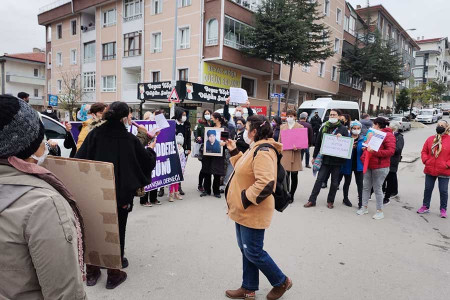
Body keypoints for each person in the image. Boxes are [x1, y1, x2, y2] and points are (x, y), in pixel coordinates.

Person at [0, 95, 86, 299]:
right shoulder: (44, 204)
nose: (46, 143)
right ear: (26, 148)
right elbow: (65, 293)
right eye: (42, 137)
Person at [76, 101, 157, 289]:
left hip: (94, 193)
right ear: (124, 117)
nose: (130, 118)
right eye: (129, 115)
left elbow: (80, 159)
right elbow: (146, 162)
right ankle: (114, 273)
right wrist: (151, 149)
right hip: (120, 195)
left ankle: (92, 271)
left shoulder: (95, 134)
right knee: (118, 230)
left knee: (93, 228)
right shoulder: (128, 140)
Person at [224, 114, 292, 300]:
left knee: (253, 251)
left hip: (252, 209)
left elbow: (266, 182)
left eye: (247, 129)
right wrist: (233, 151)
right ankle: (249, 287)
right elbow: (243, 170)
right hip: (243, 210)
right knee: (247, 250)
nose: (245, 132)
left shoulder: (263, 151)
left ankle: (281, 281)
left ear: (254, 131)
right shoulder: (254, 147)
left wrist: (245, 198)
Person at [304, 109, 349, 209]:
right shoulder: (324, 127)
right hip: (325, 159)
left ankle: (330, 201)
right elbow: (318, 143)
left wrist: (342, 138)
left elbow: (347, 144)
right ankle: (312, 200)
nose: (332, 116)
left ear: (338, 116)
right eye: (331, 115)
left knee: (334, 182)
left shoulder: (343, 129)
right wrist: (314, 157)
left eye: (334, 115)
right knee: (319, 180)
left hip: (337, 161)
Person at [357, 117, 396, 220]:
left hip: (380, 166)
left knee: (377, 188)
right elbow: (369, 145)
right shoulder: (372, 133)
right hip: (369, 163)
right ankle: (364, 207)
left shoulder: (389, 135)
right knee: (366, 187)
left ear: (377, 124)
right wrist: (365, 148)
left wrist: (374, 152)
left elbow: (390, 152)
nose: (372, 126)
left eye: (373, 124)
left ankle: (379, 211)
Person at [417, 120, 450, 218]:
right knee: (428, 189)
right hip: (430, 169)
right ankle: (425, 206)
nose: (440, 127)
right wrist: (426, 161)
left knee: (443, 191)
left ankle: (443, 209)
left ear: (447, 127)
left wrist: (447, 164)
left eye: (442, 125)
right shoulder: (431, 139)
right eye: (438, 125)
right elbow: (424, 151)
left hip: (444, 170)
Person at [200, 112, 227, 198]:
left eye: (212, 118)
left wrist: (224, 143)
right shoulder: (210, 129)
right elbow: (205, 140)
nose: (210, 119)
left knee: (217, 173)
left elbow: (227, 140)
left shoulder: (224, 129)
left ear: (217, 119)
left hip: (219, 155)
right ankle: (206, 190)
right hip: (208, 155)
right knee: (207, 172)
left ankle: (216, 191)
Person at [279, 110, 304, 201]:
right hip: (285, 154)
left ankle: (292, 194)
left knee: (294, 175)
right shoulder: (282, 127)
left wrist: (298, 147)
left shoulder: (300, 127)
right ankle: (286, 193)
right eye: (288, 116)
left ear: (295, 117)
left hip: (295, 154)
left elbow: (303, 142)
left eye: (291, 116)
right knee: (285, 176)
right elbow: (279, 141)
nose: (289, 118)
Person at [339, 120, 364, 208]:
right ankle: (345, 199)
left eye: (358, 128)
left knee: (360, 184)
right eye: (354, 128)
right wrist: (349, 147)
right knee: (347, 182)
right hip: (347, 164)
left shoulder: (364, 139)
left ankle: (361, 202)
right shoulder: (347, 138)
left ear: (360, 129)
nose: (356, 130)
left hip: (359, 165)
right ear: (351, 129)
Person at [140, 110, 161, 207]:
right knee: (146, 177)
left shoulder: (154, 129)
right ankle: (144, 200)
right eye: (148, 119)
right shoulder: (142, 130)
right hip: (144, 155)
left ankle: (153, 198)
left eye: (152, 119)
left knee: (155, 177)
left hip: (152, 154)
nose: (150, 120)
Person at [383, 121, 404, 205]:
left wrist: (389, 148)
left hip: (393, 161)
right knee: (385, 177)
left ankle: (390, 194)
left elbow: (398, 149)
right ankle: (385, 191)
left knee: (391, 177)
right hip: (386, 159)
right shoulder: (387, 135)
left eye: (390, 127)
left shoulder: (399, 137)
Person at [195, 109, 214, 192]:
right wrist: (198, 138)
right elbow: (197, 135)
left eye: (208, 113)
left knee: (210, 167)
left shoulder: (214, 123)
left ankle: (207, 185)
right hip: (204, 148)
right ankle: (200, 184)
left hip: (213, 148)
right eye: (205, 114)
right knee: (204, 167)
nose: (207, 115)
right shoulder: (200, 124)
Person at [168, 134, 187, 202]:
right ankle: (171, 195)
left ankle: (176, 193)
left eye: (180, 144)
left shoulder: (182, 151)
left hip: (179, 169)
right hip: (173, 169)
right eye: (177, 144)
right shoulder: (172, 151)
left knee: (177, 182)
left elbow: (183, 161)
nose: (178, 145)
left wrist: (182, 169)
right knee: (172, 182)